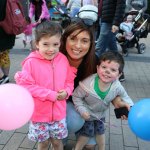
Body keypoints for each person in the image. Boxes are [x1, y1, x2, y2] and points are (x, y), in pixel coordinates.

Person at [60, 20, 131, 150]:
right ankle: (60, 137)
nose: (78, 45)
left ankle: (79, 130)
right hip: (60, 104)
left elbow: (111, 84)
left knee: (90, 145)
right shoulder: (54, 58)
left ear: (91, 44)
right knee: (73, 120)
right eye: (73, 39)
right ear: (65, 39)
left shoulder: (97, 63)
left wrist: (118, 103)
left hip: (86, 107)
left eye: (84, 41)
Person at [15, 20, 76, 150]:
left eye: (55, 44)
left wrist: (67, 91)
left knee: (57, 143)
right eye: (46, 44)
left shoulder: (63, 59)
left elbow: (69, 80)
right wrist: (51, 95)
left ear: (60, 43)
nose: (51, 49)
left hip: (59, 114)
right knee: (43, 144)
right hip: (39, 115)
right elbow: (26, 87)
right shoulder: (30, 62)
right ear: (37, 44)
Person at [72, 51, 134, 150]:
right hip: (87, 114)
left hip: (100, 115)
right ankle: (77, 148)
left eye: (113, 70)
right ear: (97, 68)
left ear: (119, 74)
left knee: (101, 132)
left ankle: (102, 148)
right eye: (104, 67)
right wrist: (82, 110)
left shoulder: (117, 86)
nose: (107, 71)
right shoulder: (86, 84)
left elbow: (125, 97)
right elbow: (76, 96)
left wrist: (130, 108)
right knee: (87, 133)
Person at [95, 0, 126, 82]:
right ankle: (120, 73)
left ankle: (91, 70)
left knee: (99, 48)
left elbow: (121, 6)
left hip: (110, 22)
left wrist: (116, 23)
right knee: (112, 48)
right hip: (105, 20)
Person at [0, 0, 16, 84]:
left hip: (1, 31)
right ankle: (5, 77)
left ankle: (2, 77)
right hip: (10, 31)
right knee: (4, 56)